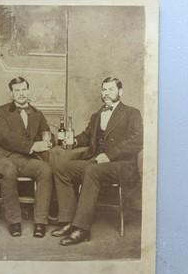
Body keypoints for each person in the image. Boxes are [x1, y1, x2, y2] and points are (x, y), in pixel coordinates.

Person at [51, 77, 143, 246]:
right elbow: (87, 136)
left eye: (110, 89)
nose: (106, 93)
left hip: (121, 166)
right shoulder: (97, 115)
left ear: (120, 92)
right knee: (63, 167)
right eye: (104, 90)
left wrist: (109, 156)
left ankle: (82, 229)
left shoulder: (132, 113)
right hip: (97, 162)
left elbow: (137, 141)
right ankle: (68, 220)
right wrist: (75, 141)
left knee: (91, 171)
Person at [0, 76, 53, 238]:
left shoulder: (37, 114)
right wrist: (32, 146)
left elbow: (46, 132)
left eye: (24, 89)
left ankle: (40, 221)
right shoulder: (0, 112)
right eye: (17, 90)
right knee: (8, 170)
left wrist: (47, 141)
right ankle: (14, 221)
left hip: (26, 161)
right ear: (11, 94)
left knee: (45, 170)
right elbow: (4, 137)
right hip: (5, 158)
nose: (21, 93)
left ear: (28, 90)